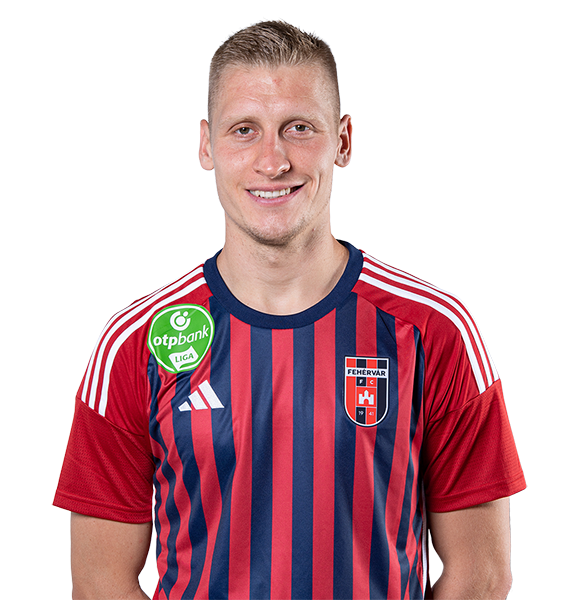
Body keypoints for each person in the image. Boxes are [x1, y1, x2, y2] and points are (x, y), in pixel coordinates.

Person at [54, 19, 526, 600]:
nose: (272, 161)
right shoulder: (134, 342)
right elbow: (100, 582)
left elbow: (481, 574)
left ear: (343, 140)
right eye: (244, 130)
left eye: (298, 128)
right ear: (206, 145)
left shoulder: (436, 331)